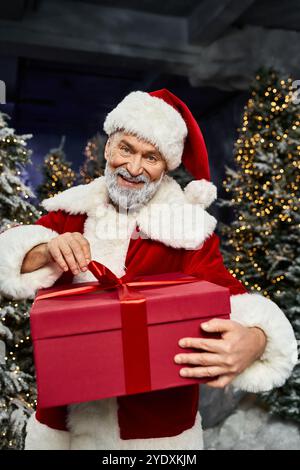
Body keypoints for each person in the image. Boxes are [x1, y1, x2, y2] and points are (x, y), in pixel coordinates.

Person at [0, 89, 297, 450]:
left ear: (166, 166)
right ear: (109, 147)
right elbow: (11, 255)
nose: (135, 168)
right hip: (63, 432)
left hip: (155, 437)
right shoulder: (69, 214)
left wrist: (257, 338)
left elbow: (230, 296)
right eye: (126, 149)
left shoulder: (187, 230)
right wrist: (45, 249)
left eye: (151, 157)